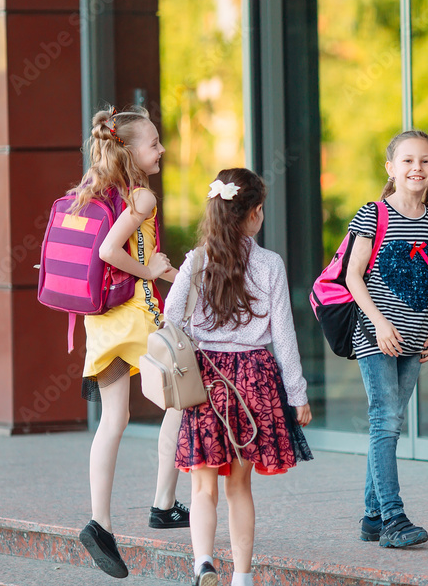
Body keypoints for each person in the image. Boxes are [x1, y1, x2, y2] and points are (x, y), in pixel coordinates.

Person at [168, 168, 312, 586]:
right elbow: (284, 335)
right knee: (240, 487)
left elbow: (169, 321)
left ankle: (203, 563)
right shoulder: (269, 264)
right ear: (254, 213)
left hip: (206, 381)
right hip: (254, 378)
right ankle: (243, 577)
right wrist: (297, 393)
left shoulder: (196, 262)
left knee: (203, 486)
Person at [75, 105, 189, 579]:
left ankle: (100, 523)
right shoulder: (140, 197)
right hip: (136, 318)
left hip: (100, 321)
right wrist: (155, 270)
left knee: (113, 420)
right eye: (154, 144)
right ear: (130, 150)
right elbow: (108, 251)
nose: (161, 150)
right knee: (184, 400)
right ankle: (163, 503)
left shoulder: (89, 191)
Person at [346, 130, 428, 548]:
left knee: (390, 422)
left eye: (425, 161)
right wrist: (380, 323)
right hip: (375, 335)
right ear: (390, 168)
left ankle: (372, 516)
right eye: (407, 161)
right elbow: (353, 275)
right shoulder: (372, 214)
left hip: (416, 336)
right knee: (385, 420)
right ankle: (392, 516)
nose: (416, 168)